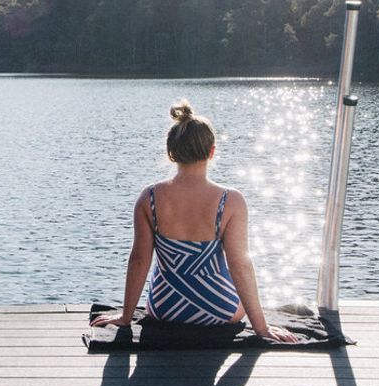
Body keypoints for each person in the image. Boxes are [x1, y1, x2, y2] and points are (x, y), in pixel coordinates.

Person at [94, 101, 301, 342]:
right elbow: (239, 265)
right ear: (212, 152)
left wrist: (125, 317)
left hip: (164, 308)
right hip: (220, 310)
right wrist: (261, 328)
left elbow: (139, 259)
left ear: (171, 153)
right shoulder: (230, 201)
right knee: (229, 284)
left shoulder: (149, 198)